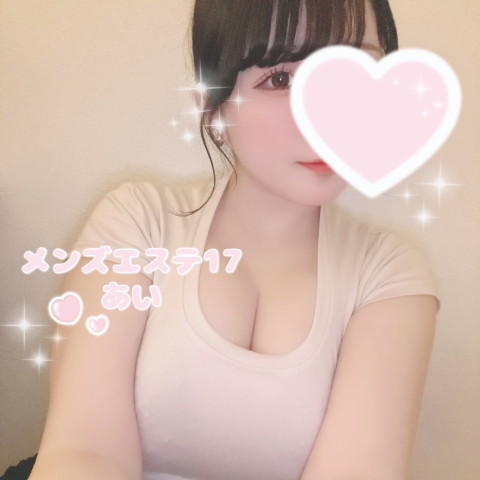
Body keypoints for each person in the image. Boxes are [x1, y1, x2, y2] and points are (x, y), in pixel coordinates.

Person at [28, 1, 441, 479]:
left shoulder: (389, 276)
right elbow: (83, 452)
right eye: (280, 79)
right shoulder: (138, 223)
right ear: (215, 103)